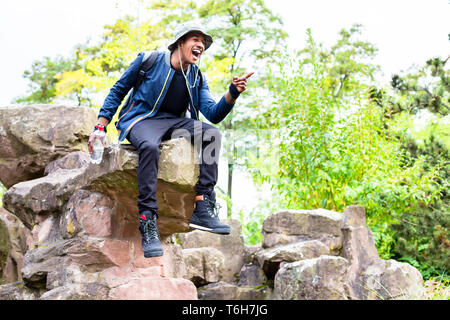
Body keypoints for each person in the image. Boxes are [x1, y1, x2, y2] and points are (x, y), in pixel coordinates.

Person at [88, 23, 254, 258]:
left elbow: (213, 113)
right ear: (180, 42)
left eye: (203, 43)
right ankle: (148, 220)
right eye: (195, 39)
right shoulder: (149, 60)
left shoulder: (196, 77)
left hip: (173, 123)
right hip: (140, 120)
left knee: (211, 135)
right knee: (149, 146)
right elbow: (118, 90)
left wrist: (233, 92)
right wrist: (100, 126)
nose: (200, 45)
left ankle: (203, 206)